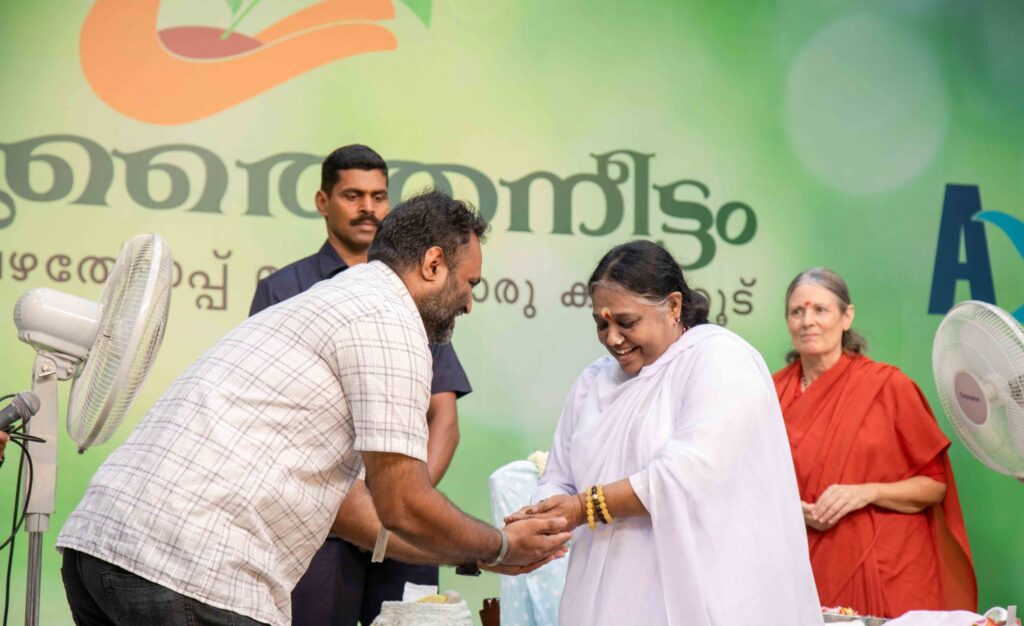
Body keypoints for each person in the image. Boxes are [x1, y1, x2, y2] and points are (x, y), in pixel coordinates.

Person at [56, 190, 571, 626]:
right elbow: (403, 503)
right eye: (469, 283)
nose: (469, 303)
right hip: (192, 568)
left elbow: (356, 516)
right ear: (434, 263)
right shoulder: (391, 320)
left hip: (101, 548)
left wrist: (480, 556)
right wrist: (499, 545)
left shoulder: (327, 300)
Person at [507, 241, 822, 626]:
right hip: (599, 597)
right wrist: (544, 514)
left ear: (673, 306)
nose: (612, 338)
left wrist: (581, 508)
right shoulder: (593, 381)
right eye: (601, 324)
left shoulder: (718, 359)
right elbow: (559, 476)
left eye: (626, 323)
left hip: (699, 594)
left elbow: (684, 474)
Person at [250, 144, 471, 626]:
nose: (368, 207)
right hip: (320, 527)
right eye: (353, 195)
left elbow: (445, 417)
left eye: (378, 196)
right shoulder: (285, 290)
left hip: (403, 522)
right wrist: (369, 510)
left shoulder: (418, 292)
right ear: (323, 201)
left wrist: (404, 504)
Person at [772, 267, 977, 617]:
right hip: (800, 567)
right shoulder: (771, 393)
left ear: (846, 316)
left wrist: (864, 492)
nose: (807, 321)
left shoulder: (888, 387)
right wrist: (787, 506)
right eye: (797, 311)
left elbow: (934, 487)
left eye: (820, 310)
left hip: (887, 569)